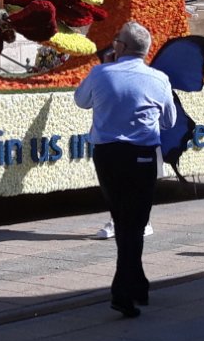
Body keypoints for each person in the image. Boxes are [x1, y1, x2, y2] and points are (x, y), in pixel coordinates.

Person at [74, 21, 176, 319]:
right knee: (135, 221)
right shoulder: (158, 78)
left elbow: (80, 101)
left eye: (116, 40)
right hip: (143, 156)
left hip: (107, 156)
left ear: (121, 47)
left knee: (123, 220)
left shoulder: (100, 73)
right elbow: (169, 121)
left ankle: (133, 285)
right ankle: (127, 288)